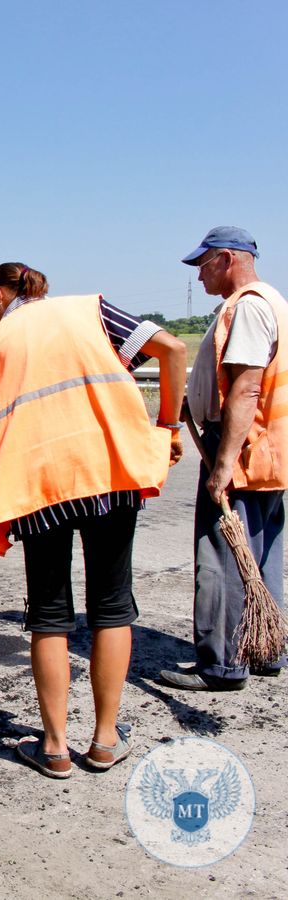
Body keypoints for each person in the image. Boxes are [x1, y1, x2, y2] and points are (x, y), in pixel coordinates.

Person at [0, 263, 185, 778]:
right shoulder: (94, 311)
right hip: (110, 478)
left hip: (39, 492)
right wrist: (169, 427)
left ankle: (56, 748)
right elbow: (171, 350)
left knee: (49, 613)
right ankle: (106, 741)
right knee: (111, 606)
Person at [159, 227, 288, 691]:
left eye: (204, 264)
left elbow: (247, 386)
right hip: (269, 446)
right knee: (260, 549)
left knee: (221, 554)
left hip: (244, 445)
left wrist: (223, 463)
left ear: (228, 259)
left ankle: (224, 663)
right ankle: (265, 647)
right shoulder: (269, 299)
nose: (199, 274)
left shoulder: (248, 306)